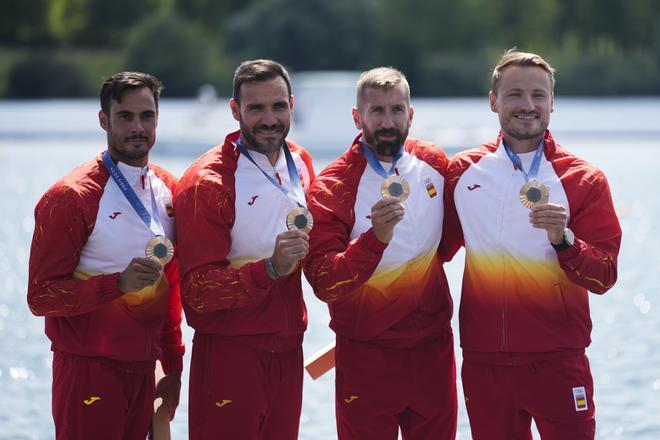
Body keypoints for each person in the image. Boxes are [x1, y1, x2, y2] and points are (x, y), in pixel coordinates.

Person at [441, 49, 622, 440]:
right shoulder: (461, 172)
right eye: (515, 95)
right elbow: (430, 253)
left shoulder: (584, 180)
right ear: (493, 101)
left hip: (558, 360)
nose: (528, 105)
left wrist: (565, 241)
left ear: (552, 103)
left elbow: (605, 276)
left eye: (538, 95)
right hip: (484, 362)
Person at [27, 71, 184, 439]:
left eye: (146, 116)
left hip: (146, 370)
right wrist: (116, 285)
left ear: (158, 118)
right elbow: (40, 297)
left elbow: (171, 289)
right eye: (125, 117)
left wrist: (173, 367)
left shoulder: (168, 190)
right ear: (103, 120)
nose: (137, 127)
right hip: (88, 370)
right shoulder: (70, 198)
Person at [303, 67, 457, 439]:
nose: (388, 122)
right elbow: (324, 282)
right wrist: (375, 240)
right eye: (377, 112)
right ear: (358, 117)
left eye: (396, 110)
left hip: (432, 350)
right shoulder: (333, 186)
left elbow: (449, 244)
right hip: (367, 355)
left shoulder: (434, 164)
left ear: (411, 113)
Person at [174, 59, 315, 440]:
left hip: (288, 351)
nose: (270, 119)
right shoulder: (208, 183)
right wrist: (269, 268)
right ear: (235, 110)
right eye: (256, 108)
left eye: (278, 106)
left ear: (292, 105)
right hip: (230, 356)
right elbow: (197, 293)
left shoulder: (300, 161)